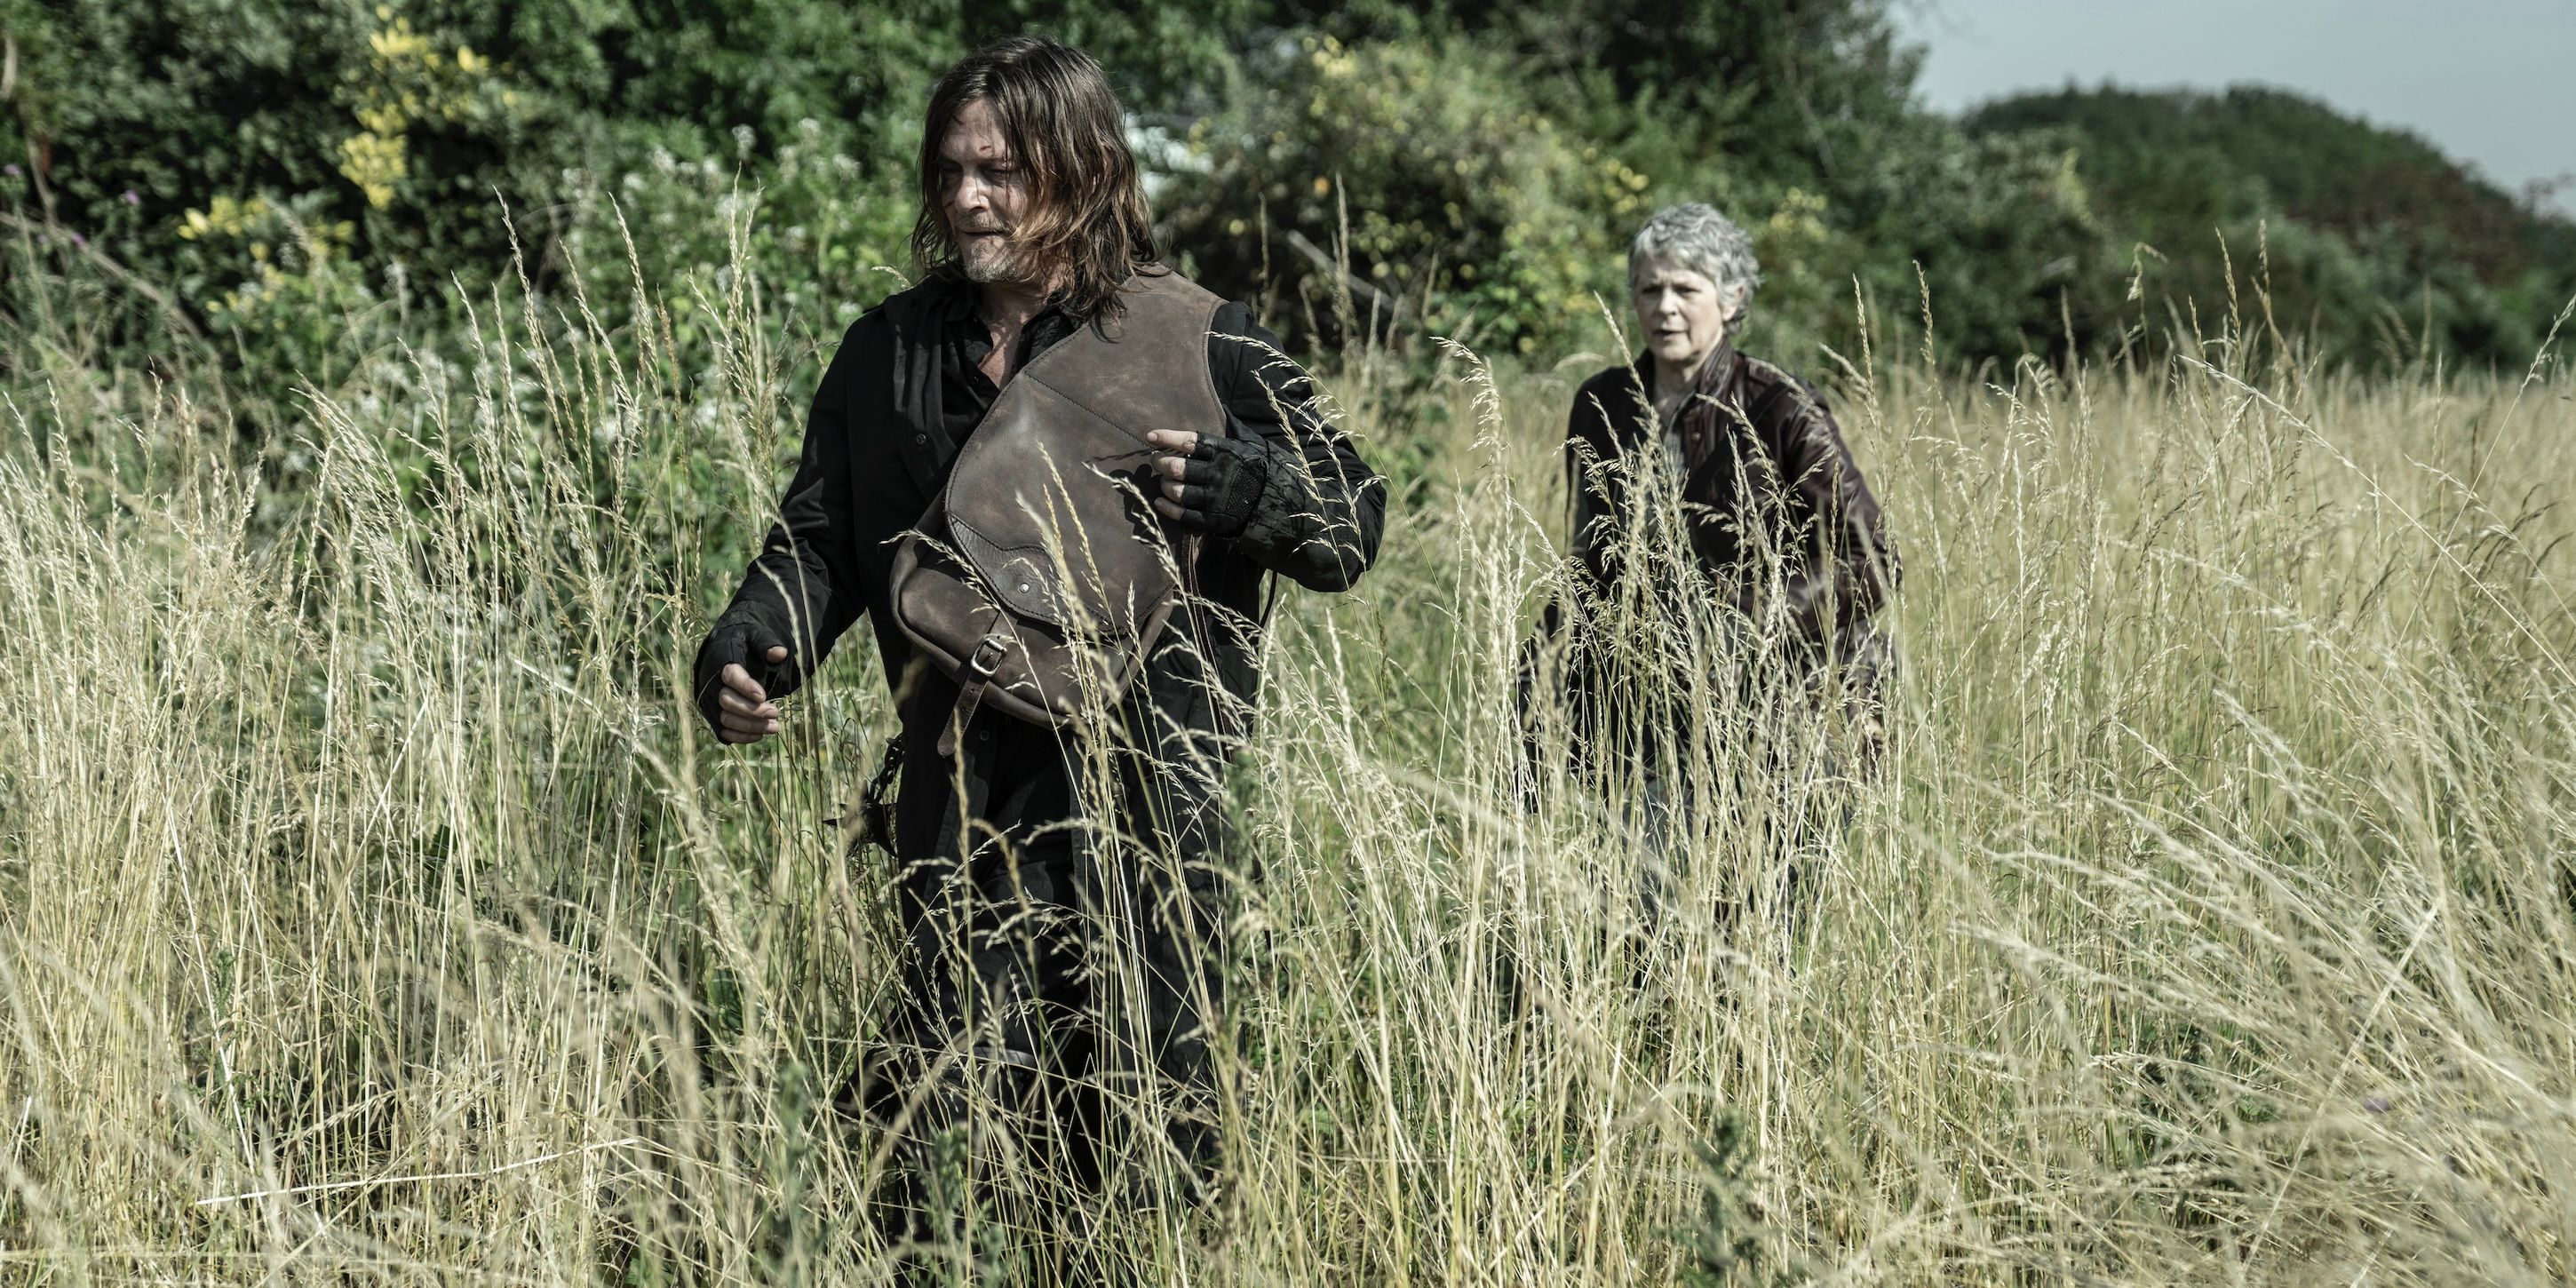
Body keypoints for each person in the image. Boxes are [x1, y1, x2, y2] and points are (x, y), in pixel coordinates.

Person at [689, 35, 1384, 1275]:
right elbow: (821, 541)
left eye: (1001, 170)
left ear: (1081, 166)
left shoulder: (1207, 340)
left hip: (1147, 806)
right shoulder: (887, 352)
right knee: (939, 1117)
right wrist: (755, 643)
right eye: (952, 170)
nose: (967, 198)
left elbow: (1353, 522)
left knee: (1142, 1125)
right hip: (951, 795)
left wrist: (1246, 489)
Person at [1532, 202, 1897, 934]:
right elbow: (1589, 562)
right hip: (1643, 702)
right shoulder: (1601, 403)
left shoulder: (1780, 406)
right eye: (1648, 289)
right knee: (1643, 917)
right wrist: (1542, 676)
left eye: (1685, 289)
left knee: (1752, 930)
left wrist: (1755, 620)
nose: (1664, 308)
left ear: (1731, 302)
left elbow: (1870, 560)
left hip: (1779, 709)